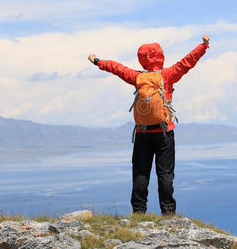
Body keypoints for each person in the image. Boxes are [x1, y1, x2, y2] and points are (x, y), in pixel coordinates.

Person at [88, 35, 210, 215]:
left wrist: (98, 61)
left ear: (142, 58)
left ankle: (138, 213)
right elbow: (187, 62)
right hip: (164, 132)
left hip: (142, 133)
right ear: (160, 56)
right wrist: (203, 46)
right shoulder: (167, 75)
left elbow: (117, 68)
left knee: (140, 173)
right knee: (165, 174)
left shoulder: (137, 77)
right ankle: (168, 214)